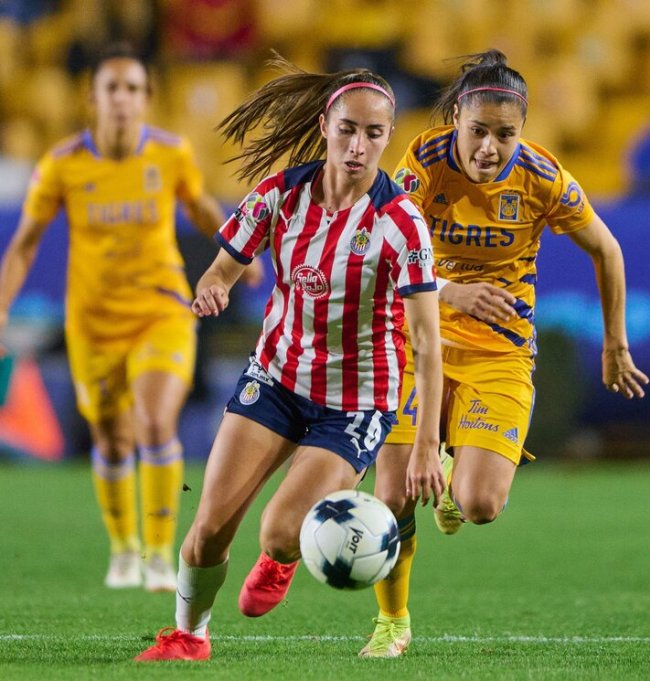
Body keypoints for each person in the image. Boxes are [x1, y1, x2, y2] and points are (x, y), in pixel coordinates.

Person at [135, 58, 443, 662]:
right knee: (206, 535)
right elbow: (222, 266)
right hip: (276, 376)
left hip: (355, 402)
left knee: (278, 532)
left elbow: (428, 343)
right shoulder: (280, 193)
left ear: (389, 137)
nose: (359, 146)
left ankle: (280, 558)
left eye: (374, 134)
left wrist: (427, 443)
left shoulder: (400, 222)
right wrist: (215, 287)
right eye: (348, 129)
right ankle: (188, 636)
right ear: (326, 124)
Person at [358, 49, 649, 658]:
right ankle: (393, 623)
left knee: (481, 504)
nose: (490, 147)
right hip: (420, 341)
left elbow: (608, 250)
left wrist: (615, 344)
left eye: (505, 135)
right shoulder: (423, 165)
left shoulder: (543, 178)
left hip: (501, 352)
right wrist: (453, 291)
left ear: (524, 131)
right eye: (478, 132)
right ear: (457, 121)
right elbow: (381, 256)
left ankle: (454, 465)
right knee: (390, 494)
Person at [0, 42, 259, 592]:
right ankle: (123, 549)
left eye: (134, 89)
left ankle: (161, 554)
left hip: (161, 310)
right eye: (112, 88)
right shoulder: (63, 164)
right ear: (91, 98)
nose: (123, 99)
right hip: (93, 323)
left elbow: (201, 208)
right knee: (114, 441)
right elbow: (24, 245)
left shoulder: (170, 154)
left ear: (147, 99)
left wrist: (238, 254)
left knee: (155, 421)